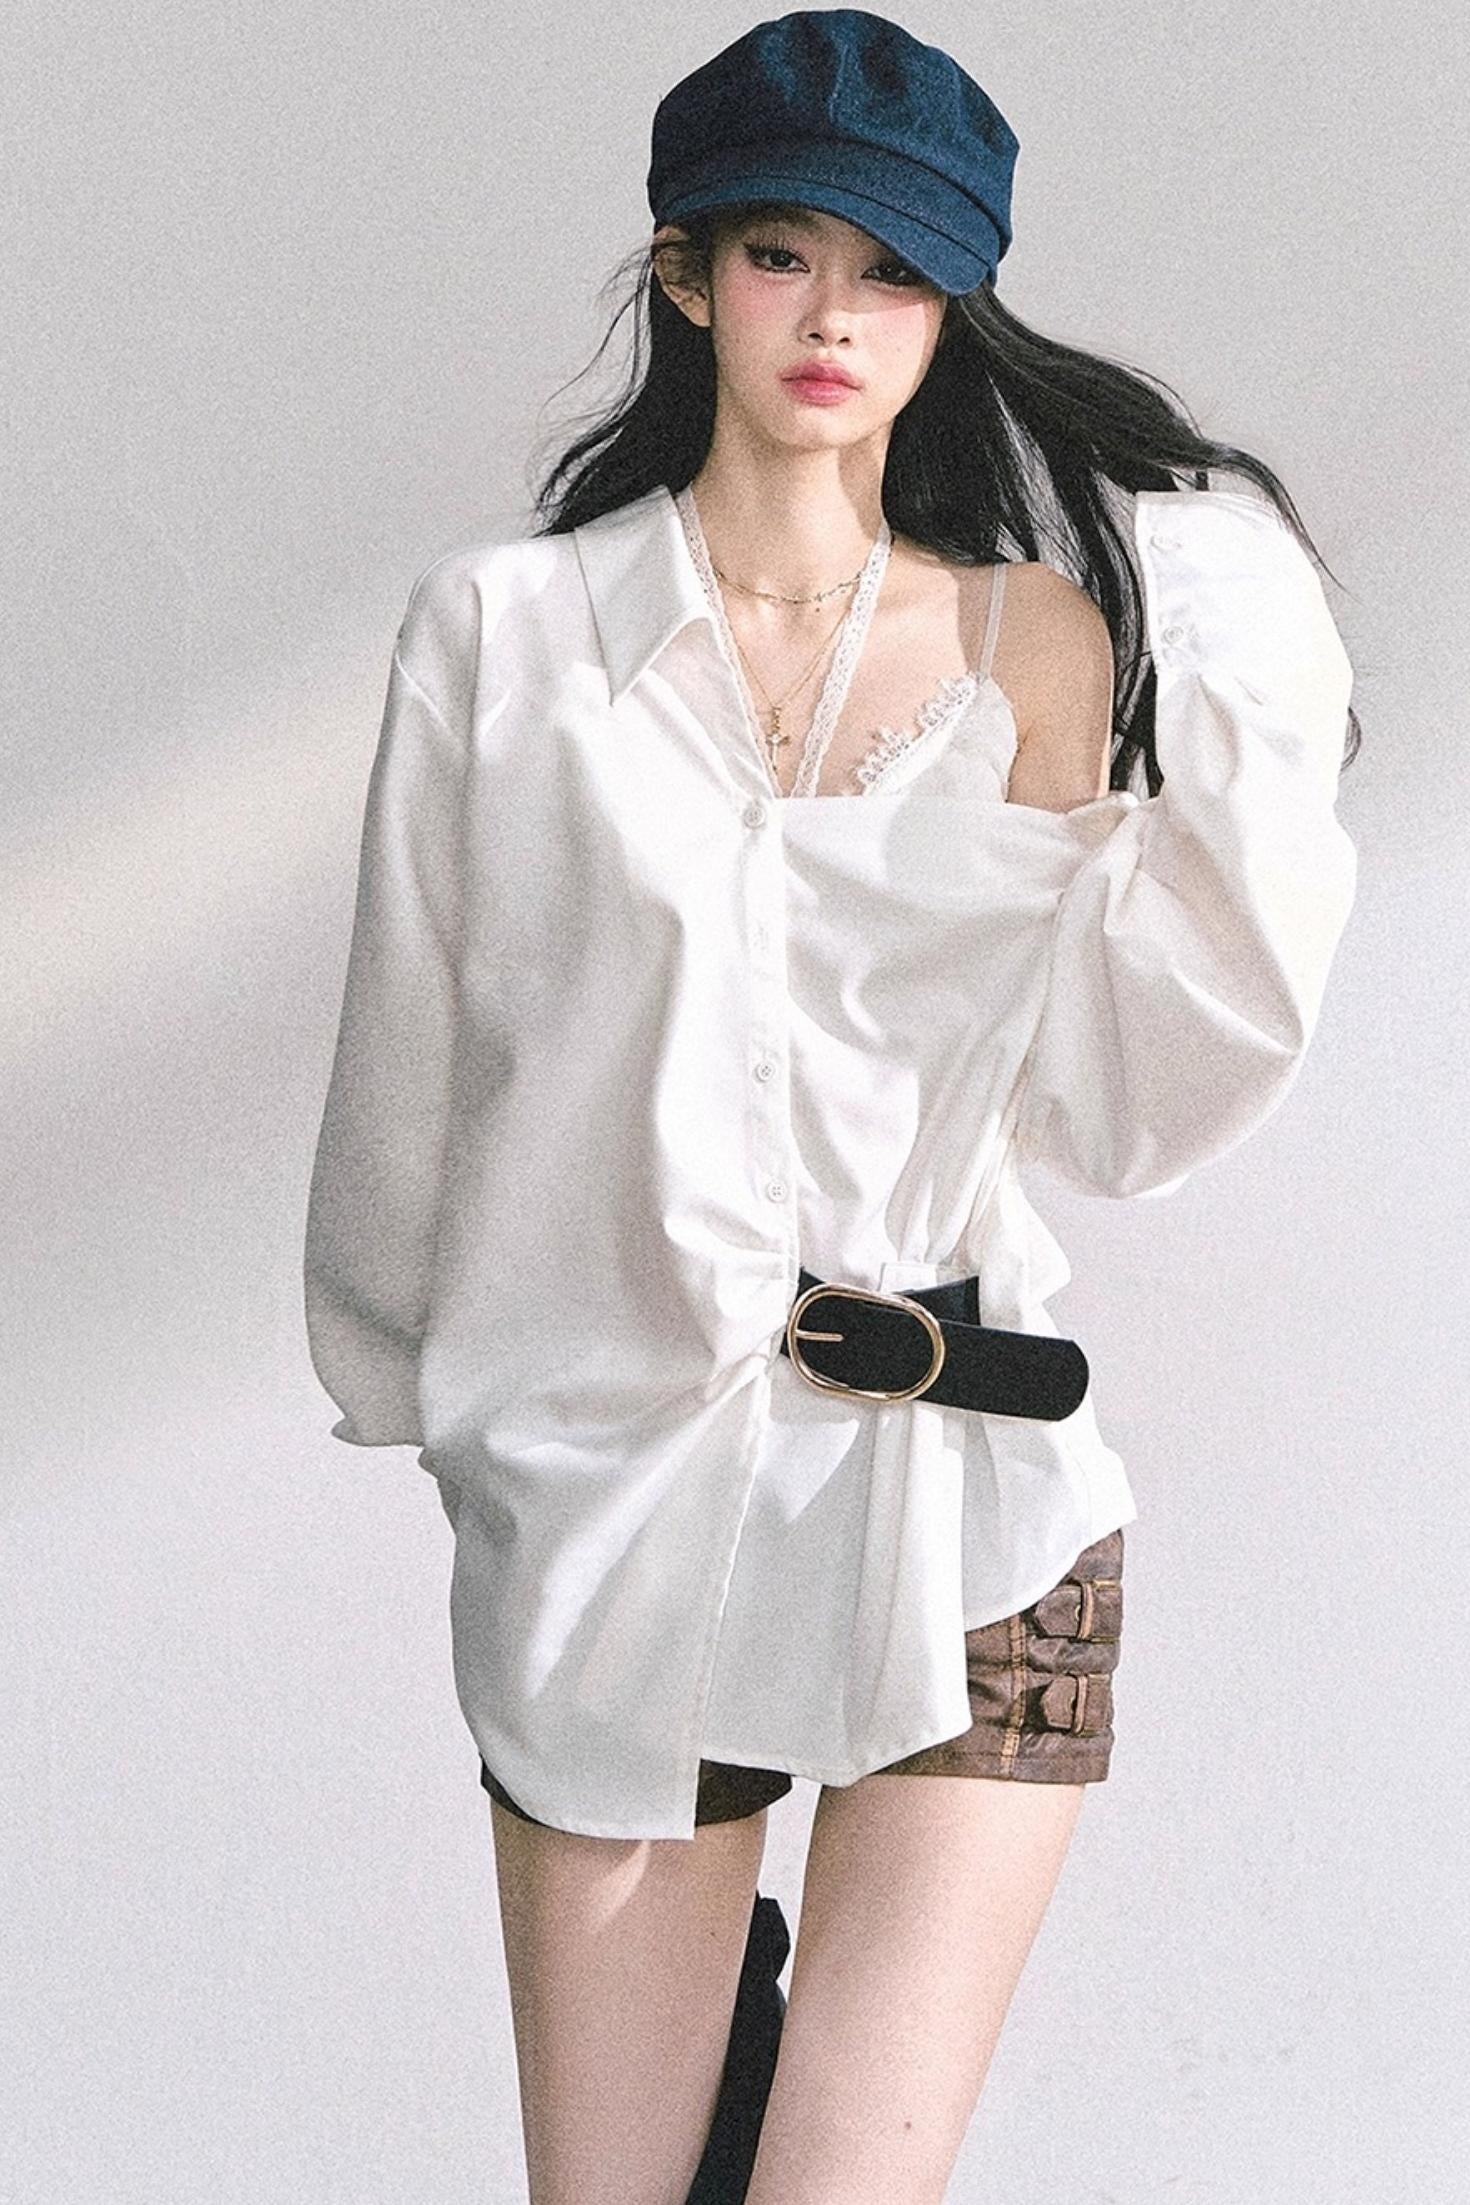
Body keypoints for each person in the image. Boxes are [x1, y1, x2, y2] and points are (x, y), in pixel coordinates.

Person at [302, 10, 1362, 2202]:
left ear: (950, 308)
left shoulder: (1034, 642)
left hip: (971, 1504)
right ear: (686, 273)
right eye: (785, 253)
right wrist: (461, 1426)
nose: (835, 319)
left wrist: (1248, 700)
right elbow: (412, 1066)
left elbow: (1126, 1104)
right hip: (614, 1495)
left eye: (894, 273)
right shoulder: (502, 638)